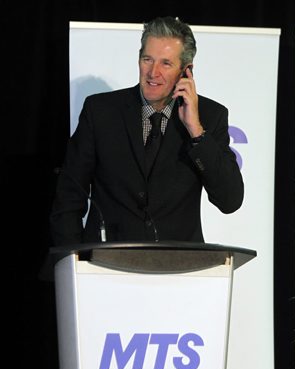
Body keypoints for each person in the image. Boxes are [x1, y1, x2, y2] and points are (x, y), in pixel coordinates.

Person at [50, 16, 244, 245]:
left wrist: (196, 131)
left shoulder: (210, 116)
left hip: (179, 268)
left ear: (186, 71)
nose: (153, 72)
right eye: (147, 59)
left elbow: (230, 200)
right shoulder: (100, 111)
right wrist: (74, 262)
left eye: (166, 63)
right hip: (106, 266)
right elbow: (69, 196)